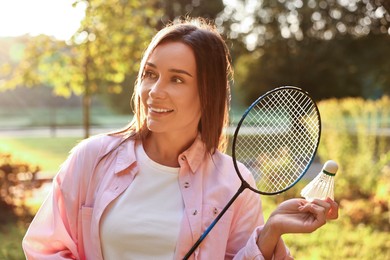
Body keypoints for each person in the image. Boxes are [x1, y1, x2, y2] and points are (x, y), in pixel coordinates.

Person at [22, 17, 338, 260]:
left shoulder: (234, 183)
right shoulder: (91, 158)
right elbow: (44, 249)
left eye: (177, 79)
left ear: (207, 93)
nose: (155, 91)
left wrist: (271, 231)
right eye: (150, 74)